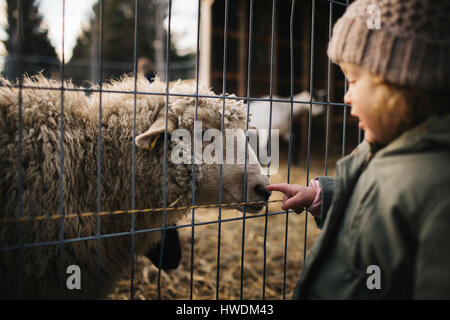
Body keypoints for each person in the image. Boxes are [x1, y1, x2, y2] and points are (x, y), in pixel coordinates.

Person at [267, 0, 450, 299]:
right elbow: (370, 198)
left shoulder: (438, 193)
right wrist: (320, 195)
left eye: (352, 81)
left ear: (400, 86)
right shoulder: (375, 150)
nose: (347, 97)